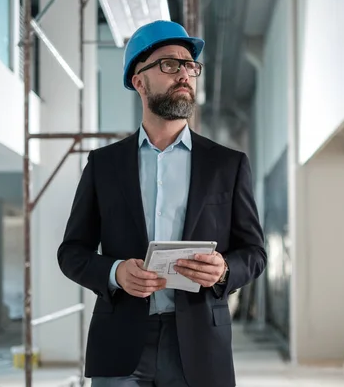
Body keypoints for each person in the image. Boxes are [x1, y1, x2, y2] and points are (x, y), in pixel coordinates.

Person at [57, 20, 266, 387]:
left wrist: (223, 270)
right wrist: (115, 272)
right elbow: (72, 252)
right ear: (139, 81)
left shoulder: (227, 165)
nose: (184, 74)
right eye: (170, 64)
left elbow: (255, 253)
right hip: (119, 341)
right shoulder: (103, 165)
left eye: (190, 66)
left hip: (200, 345)